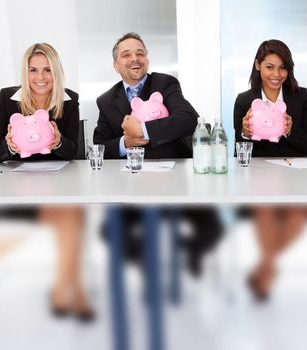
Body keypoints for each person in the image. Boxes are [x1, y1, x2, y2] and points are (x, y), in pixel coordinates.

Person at [94, 32, 223, 276]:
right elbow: (100, 144)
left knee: (211, 228)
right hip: (131, 186)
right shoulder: (105, 100)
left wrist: (143, 130)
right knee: (109, 232)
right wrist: (126, 142)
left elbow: (187, 120)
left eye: (140, 53)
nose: (135, 58)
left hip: (174, 181)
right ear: (116, 65)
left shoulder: (165, 84)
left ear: (147, 60)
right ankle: (149, 268)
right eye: (126, 54)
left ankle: (184, 259)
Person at [0, 43, 94, 321]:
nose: (40, 77)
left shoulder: (69, 99)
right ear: (25, 71)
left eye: (47, 69)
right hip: (17, 186)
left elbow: (73, 151)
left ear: (56, 71)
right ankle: (72, 287)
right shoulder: (6, 99)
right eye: (33, 69)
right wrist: (10, 146)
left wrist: (59, 141)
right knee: (70, 216)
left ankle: (66, 285)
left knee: (70, 212)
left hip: (60, 180)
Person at [233, 39, 307, 301]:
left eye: (283, 68)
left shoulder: (301, 97)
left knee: (298, 219)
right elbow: (239, 153)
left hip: (295, 173)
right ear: (258, 66)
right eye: (270, 67)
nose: (276, 75)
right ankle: (267, 271)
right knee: (265, 211)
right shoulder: (244, 100)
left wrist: (290, 130)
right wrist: (245, 133)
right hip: (259, 176)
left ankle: (264, 266)